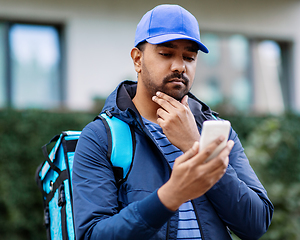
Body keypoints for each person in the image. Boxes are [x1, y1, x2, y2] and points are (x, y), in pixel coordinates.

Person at [72, 4, 273, 240]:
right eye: (166, 54)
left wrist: (196, 147)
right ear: (138, 59)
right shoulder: (102, 137)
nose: (180, 66)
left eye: (189, 57)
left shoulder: (216, 131)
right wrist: (170, 196)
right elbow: (92, 235)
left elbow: (256, 224)